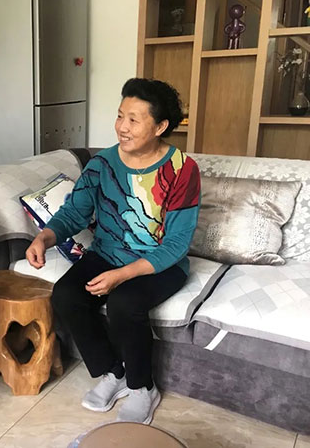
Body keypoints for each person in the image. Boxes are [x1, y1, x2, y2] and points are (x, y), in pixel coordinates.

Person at [25, 78, 200, 424]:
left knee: (124, 303)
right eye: (120, 116)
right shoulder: (101, 164)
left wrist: (122, 275)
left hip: (161, 263)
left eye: (134, 119)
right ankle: (114, 372)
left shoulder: (182, 169)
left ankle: (142, 387)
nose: (122, 126)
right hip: (107, 253)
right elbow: (74, 213)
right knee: (67, 295)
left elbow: (177, 243)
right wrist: (44, 238)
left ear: (160, 126)